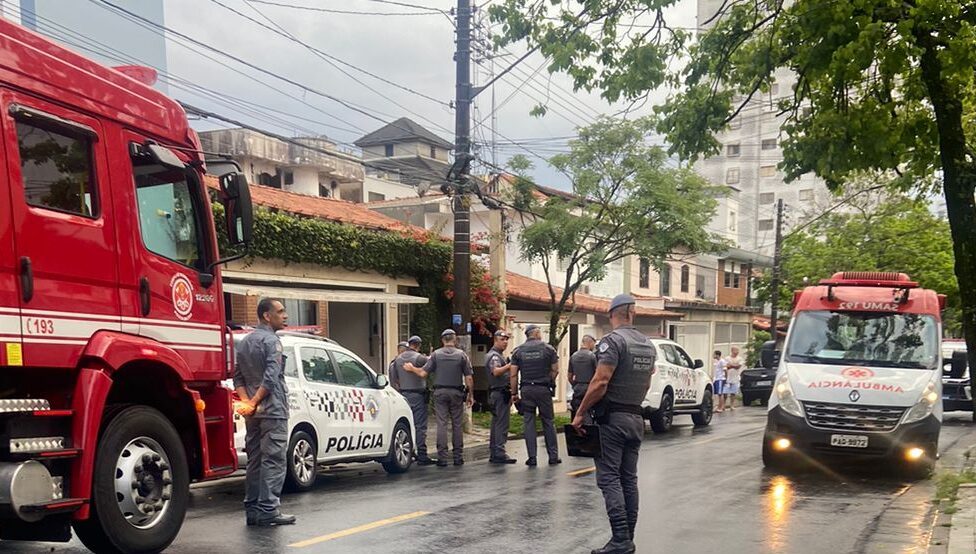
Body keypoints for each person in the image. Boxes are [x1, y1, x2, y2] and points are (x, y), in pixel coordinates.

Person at [572, 294, 655, 554]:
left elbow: (600, 382)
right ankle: (627, 538)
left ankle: (620, 539)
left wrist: (580, 412)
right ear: (632, 313)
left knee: (609, 478)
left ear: (613, 314)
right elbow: (647, 382)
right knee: (628, 479)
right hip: (635, 418)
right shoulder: (648, 345)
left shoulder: (612, 342)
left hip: (613, 420)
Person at [233, 298, 297, 527]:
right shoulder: (272, 341)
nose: (285, 315)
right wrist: (256, 400)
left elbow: (237, 376)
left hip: (253, 413)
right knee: (274, 460)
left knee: (255, 461)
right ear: (267, 316)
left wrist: (247, 402)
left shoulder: (245, 341)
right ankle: (269, 510)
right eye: (280, 312)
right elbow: (271, 377)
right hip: (273, 410)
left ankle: (252, 510)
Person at [405, 329, 473, 467]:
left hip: (440, 392)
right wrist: (471, 394)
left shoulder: (436, 354)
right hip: (457, 393)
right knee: (457, 424)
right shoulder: (462, 355)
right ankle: (458, 457)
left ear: (443, 340)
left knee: (441, 424)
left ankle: (442, 457)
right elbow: (469, 377)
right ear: (455, 340)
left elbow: (423, 373)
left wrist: (412, 368)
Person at [510, 324, 561, 467]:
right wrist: (548, 380)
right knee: (548, 422)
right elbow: (555, 370)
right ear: (537, 333)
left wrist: (514, 393)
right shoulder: (549, 349)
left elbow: (513, 374)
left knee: (529, 422)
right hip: (543, 389)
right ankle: (553, 456)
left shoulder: (518, 351)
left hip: (526, 389)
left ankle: (532, 457)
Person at [391, 336, 435, 465]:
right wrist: (431, 355)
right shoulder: (419, 358)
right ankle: (422, 454)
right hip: (418, 395)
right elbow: (431, 365)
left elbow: (395, 380)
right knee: (420, 426)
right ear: (418, 345)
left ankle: (409, 452)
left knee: (407, 425)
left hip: (404, 395)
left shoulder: (397, 360)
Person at [485, 329, 516, 464]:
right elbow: (496, 371)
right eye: (502, 339)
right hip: (499, 393)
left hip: (499, 393)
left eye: (506, 340)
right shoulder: (495, 356)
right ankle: (499, 452)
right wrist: (510, 366)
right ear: (495, 340)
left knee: (497, 423)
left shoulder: (499, 355)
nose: (505, 342)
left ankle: (495, 451)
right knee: (501, 424)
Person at [569, 334, 598, 421]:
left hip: (577, 388)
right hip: (589, 388)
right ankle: (589, 430)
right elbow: (598, 373)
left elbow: (569, 376)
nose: (594, 346)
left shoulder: (573, 356)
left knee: (578, 411)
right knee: (589, 412)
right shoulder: (592, 356)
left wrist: (575, 385)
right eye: (594, 344)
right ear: (590, 342)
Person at [724, 346, 743, 410]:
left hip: (735, 377)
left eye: (738, 351)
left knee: (733, 392)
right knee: (725, 392)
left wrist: (731, 365)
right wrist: (734, 365)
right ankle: (723, 404)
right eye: (736, 350)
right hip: (728, 377)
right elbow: (726, 366)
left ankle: (732, 405)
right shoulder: (727, 358)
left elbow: (738, 366)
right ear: (732, 351)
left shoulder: (740, 358)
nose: (737, 352)